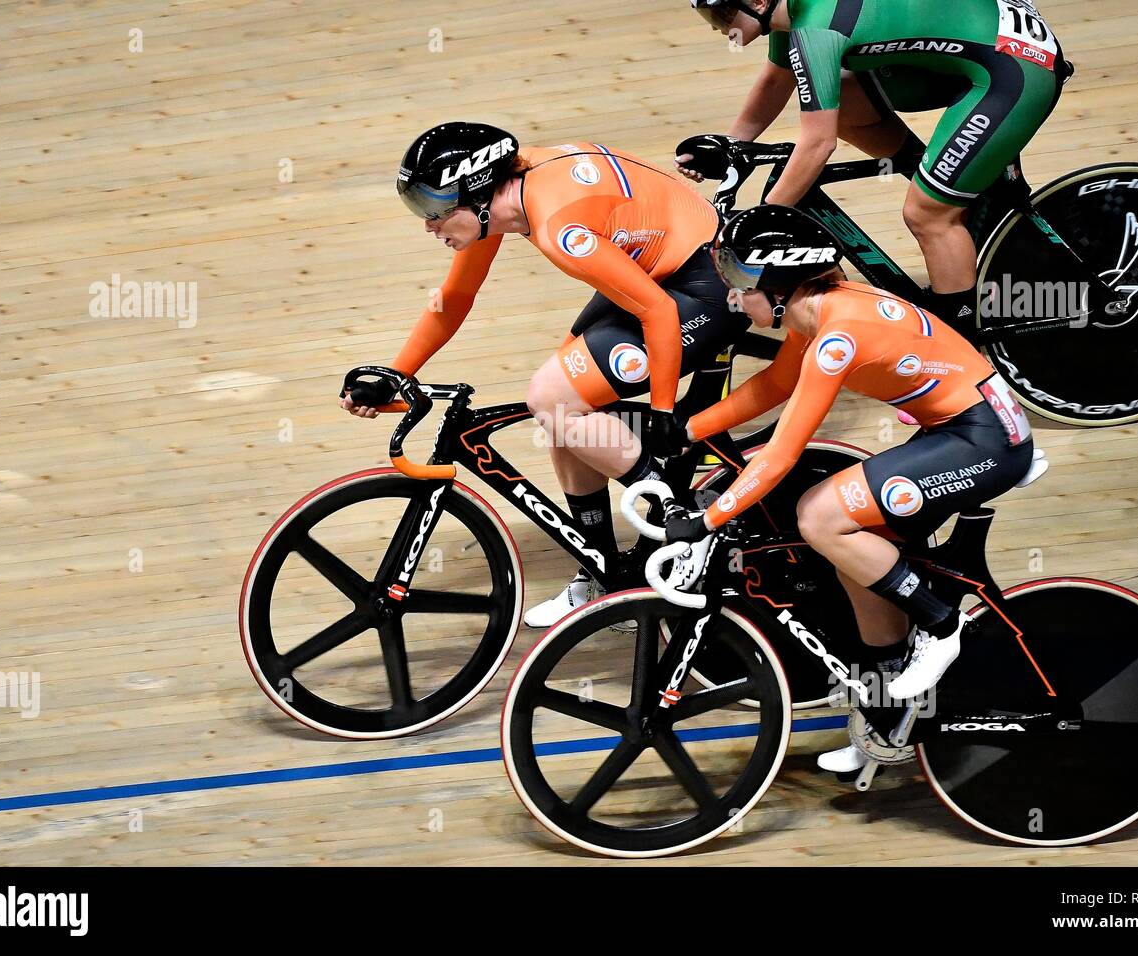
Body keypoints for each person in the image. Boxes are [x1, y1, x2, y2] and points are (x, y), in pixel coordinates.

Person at [663, 204, 1035, 772]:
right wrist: (688, 428)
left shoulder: (837, 336)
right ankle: (885, 714)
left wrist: (707, 520)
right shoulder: (815, 315)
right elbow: (776, 384)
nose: (732, 295)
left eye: (740, 279)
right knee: (853, 549)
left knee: (819, 515)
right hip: (960, 426)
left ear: (780, 280)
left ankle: (940, 624)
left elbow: (782, 453)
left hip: (985, 439)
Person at [345, 122, 748, 627]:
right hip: (663, 266)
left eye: (432, 209)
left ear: (475, 190)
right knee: (561, 404)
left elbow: (661, 315)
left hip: (708, 284)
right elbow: (454, 300)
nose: (428, 225)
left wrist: (664, 413)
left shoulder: (559, 226)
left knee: (555, 397)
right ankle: (605, 575)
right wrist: (395, 373)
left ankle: (681, 524)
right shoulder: (505, 197)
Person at [681, 0, 1065, 333]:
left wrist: (761, 222)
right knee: (843, 98)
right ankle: (943, 179)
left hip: (1013, 73)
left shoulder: (814, 29)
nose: (717, 26)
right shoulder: (793, 10)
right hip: (985, 46)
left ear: (759, 4)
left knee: (927, 215)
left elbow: (818, 144)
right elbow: (774, 82)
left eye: (720, 12)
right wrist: (730, 146)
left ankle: (964, 346)